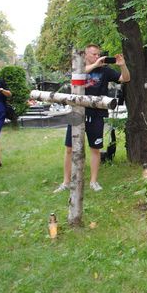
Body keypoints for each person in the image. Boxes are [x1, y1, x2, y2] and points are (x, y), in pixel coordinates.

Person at [53, 44, 130, 193]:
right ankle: (66, 182)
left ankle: (94, 181)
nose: (97, 57)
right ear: (86, 55)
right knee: (69, 148)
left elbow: (125, 78)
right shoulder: (79, 67)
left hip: (97, 114)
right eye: (94, 54)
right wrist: (94, 65)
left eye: (98, 54)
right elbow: (74, 79)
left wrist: (123, 65)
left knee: (95, 149)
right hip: (76, 112)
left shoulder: (105, 71)